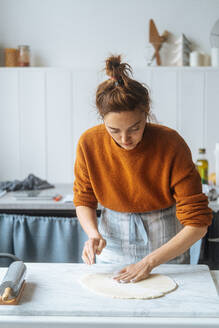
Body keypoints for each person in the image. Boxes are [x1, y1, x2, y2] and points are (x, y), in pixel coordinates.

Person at [73, 54, 212, 284]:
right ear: (102, 120)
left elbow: (198, 225)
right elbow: (84, 198)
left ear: (146, 114)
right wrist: (93, 234)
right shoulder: (89, 143)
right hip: (112, 245)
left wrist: (149, 262)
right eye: (114, 130)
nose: (125, 139)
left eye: (134, 128)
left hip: (166, 249)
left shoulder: (170, 143)